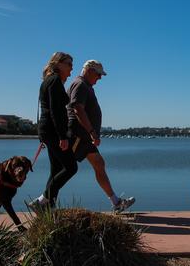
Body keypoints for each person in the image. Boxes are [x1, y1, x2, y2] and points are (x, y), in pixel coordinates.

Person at [67, 60, 135, 213]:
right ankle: (43, 199)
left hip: (85, 136)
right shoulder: (80, 84)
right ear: (89, 71)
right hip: (78, 135)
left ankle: (116, 202)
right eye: (98, 74)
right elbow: (78, 109)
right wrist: (92, 131)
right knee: (65, 169)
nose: (100, 78)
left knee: (99, 164)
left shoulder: (86, 86)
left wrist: (92, 133)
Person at [29, 52, 78, 210]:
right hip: (53, 132)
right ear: (59, 64)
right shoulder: (55, 80)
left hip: (47, 130)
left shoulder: (48, 81)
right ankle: (42, 200)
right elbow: (55, 111)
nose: (72, 68)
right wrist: (62, 136)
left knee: (56, 169)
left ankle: (48, 206)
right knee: (71, 167)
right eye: (69, 64)